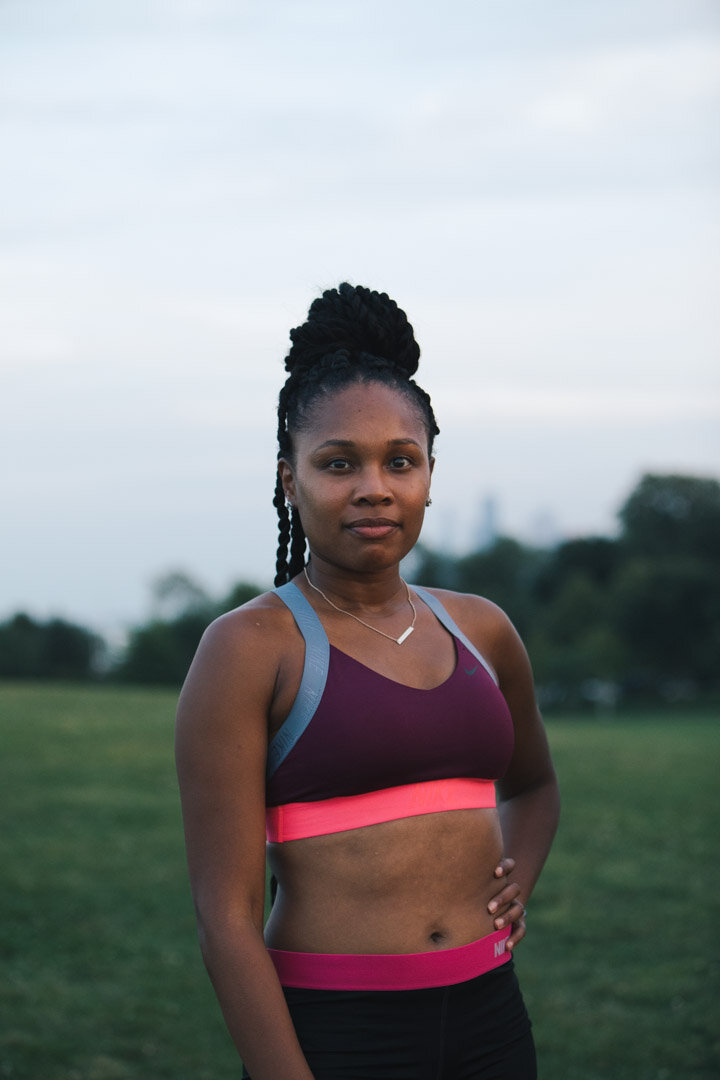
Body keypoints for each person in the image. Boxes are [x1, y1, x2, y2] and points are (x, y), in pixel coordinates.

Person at [175, 283, 560, 1079]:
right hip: (337, 1027)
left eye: (401, 461)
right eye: (337, 463)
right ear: (290, 479)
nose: (374, 487)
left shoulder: (482, 629)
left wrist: (515, 880)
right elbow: (226, 918)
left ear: (428, 475)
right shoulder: (249, 647)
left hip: (491, 1012)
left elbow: (535, 785)